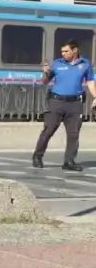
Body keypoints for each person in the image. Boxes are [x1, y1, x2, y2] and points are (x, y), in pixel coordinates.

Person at [33, 39, 96, 171]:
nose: (63, 54)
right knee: (48, 130)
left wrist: (95, 96)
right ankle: (38, 156)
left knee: (73, 134)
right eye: (62, 51)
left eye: (66, 51)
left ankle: (69, 161)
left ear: (75, 50)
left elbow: (90, 81)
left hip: (75, 103)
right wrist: (45, 73)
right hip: (57, 102)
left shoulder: (85, 64)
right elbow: (45, 82)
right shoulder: (57, 64)